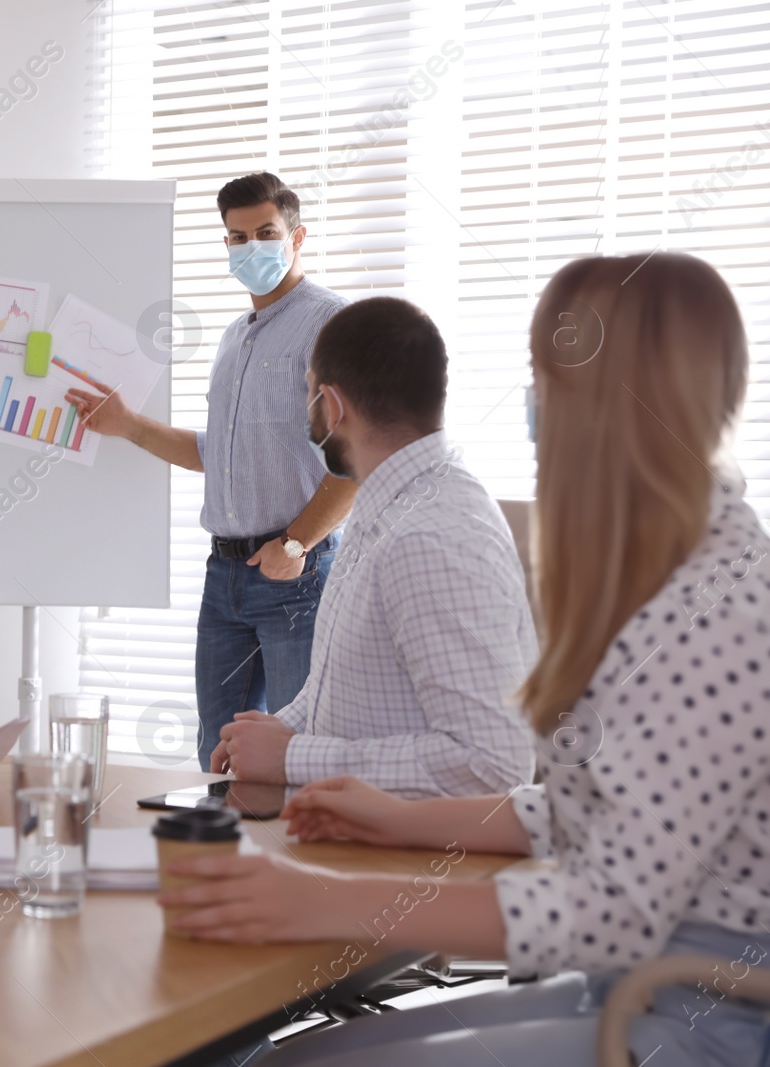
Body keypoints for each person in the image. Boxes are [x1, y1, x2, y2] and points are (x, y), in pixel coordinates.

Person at [160, 253, 768, 1066]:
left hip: (699, 1018)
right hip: (637, 986)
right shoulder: (677, 564)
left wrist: (325, 900)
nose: (533, 405)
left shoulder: (713, 607)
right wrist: (398, 816)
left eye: (544, 378)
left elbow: (613, 905)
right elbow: (601, 817)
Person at [66, 172, 356, 771]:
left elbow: (357, 457)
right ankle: (226, 865)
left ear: (296, 236)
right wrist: (127, 424)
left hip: (294, 576)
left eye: (265, 233)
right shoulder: (233, 338)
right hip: (224, 577)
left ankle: (297, 866)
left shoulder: (331, 323)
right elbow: (217, 454)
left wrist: (296, 542)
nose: (251, 248)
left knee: (296, 758)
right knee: (219, 759)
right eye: (237, 237)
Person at [211, 297, 536, 797]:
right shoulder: (387, 502)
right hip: (345, 835)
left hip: (403, 865)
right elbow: (356, 688)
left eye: (308, 394)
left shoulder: (431, 536)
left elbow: (493, 764)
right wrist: (284, 729)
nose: (307, 411)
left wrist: (294, 757)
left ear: (333, 406)